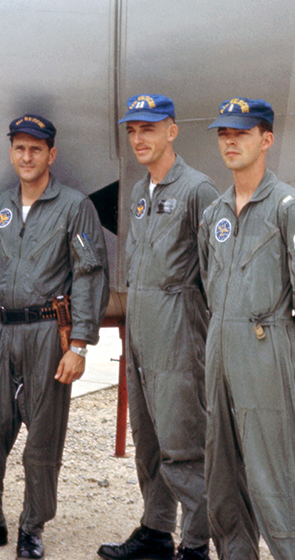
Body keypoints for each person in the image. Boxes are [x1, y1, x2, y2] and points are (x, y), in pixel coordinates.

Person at [0, 114, 110, 560]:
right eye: (19, 147)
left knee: (42, 441)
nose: (27, 156)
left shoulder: (75, 207)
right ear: (11, 151)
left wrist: (79, 345)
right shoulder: (0, 205)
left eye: (36, 148)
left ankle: (32, 528)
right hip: (0, 333)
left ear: (51, 154)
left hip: (47, 336)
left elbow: (90, 277)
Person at [198, 98, 295, 560]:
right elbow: (209, 282)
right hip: (221, 356)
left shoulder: (288, 208)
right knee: (224, 487)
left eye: (241, 132)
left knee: (280, 486)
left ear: (266, 139)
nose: (231, 141)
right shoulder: (216, 213)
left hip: (269, 357)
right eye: (224, 133)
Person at [97, 95, 218, 560]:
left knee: (183, 443)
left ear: (172, 130)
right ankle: (155, 530)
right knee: (147, 440)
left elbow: (216, 273)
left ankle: (195, 543)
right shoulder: (141, 193)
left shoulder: (197, 190)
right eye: (132, 130)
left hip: (179, 333)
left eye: (148, 128)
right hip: (142, 332)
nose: (139, 138)